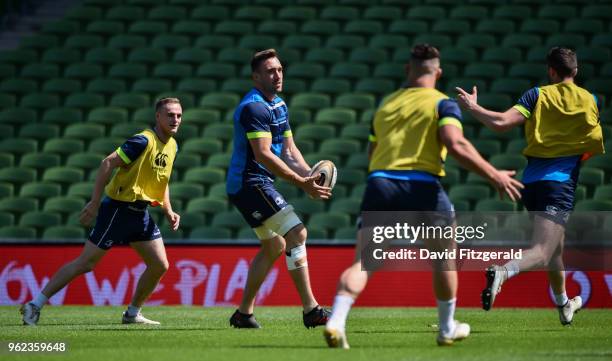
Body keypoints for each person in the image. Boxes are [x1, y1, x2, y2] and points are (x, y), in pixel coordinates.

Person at [324, 44, 524, 348]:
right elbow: (455, 144)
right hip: (423, 187)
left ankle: (336, 321)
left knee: (364, 263)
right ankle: (446, 328)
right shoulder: (442, 104)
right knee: (444, 258)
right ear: (438, 72)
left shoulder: (385, 105)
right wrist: (494, 174)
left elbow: (372, 152)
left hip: (380, 185)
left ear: (408, 69)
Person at [456, 47, 604, 325]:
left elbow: (501, 122)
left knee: (555, 250)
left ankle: (563, 305)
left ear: (551, 71)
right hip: (559, 183)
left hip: (532, 183)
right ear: (575, 71)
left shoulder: (537, 95)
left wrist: (473, 107)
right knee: (543, 250)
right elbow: (592, 142)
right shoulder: (590, 99)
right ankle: (503, 272)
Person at [20, 98, 183, 326]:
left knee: (160, 265)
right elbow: (107, 163)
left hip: (140, 213)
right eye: (170, 115)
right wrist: (95, 202)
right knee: (86, 264)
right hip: (118, 210)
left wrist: (168, 209)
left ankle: (132, 313)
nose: (175, 119)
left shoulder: (173, 145)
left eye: (178, 115)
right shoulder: (142, 141)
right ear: (158, 117)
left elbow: (161, 180)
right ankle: (34, 304)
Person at [226, 49, 332, 329]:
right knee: (298, 232)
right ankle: (312, 310)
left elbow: (289, 151)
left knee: (275, 246)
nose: (277, 75)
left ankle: (243, 314)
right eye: (271, 71)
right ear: (256, 76)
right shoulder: (253, 107)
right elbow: (262, 154)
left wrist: (310, 175)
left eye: (280, 70)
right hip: (249, 183)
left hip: (257, 183)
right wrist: (300, 184)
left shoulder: (280, 105)